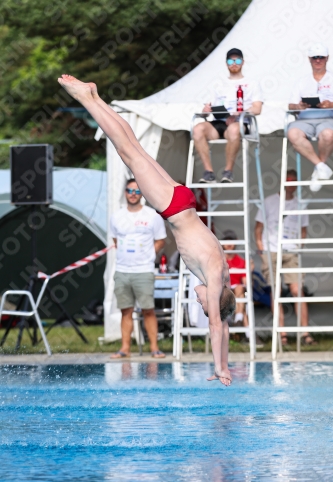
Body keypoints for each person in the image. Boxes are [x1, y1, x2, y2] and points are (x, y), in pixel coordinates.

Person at [58, 75, 236, 386]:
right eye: (204, 305)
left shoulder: (221, 273)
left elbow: (225, 323)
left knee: (135, 149)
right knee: (127, 151)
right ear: (213, 301)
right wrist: (221, 368)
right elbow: (219, 326)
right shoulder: (214, 280)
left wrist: (224, 359)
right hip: (174, 208)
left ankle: (95, 97)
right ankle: (87, 99)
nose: (199, 301)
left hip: (184, 199)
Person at [254, 169, 316, 345]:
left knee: (298, 291)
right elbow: (258, 229)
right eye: (289, 180)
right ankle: (282, 335)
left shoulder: (300, 204)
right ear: (282, 182)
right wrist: (262, 249)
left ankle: (305, 334)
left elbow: (304, 231)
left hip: (290, 251)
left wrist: (298, 246)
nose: (292, 184)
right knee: (276, 292)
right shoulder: (269, 202)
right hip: (271, 251)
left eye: (294, 181)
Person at [110, 178, 167, 359]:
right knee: (125, 310)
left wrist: (150, 255)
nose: (133, 195)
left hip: (144, 270)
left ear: (142, 193)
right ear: (125, 192)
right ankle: (125, 348)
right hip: (122, 270)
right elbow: (115, 241)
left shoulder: (152, 216)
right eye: (130, 191)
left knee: (148, 310)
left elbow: (160, 240)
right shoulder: (116, 216)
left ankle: (154, 348)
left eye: (136, 191)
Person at [193, 48, 263, 184]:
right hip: (219, 121)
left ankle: (228, 171)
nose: (234, 63)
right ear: (226, 63)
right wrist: (206, 109)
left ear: (243, 62)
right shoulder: (218, 84)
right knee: (197, 129)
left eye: (237, 60)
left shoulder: (252, 83)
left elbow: (257, 108)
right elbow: (208, 106)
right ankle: (209, 172)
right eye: (231, 60)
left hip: (241, 122)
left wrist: (240, 113)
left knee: (234, 129)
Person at [288, 42, 333, 192]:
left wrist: (330, 104)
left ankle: (318, 170)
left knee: (328, 134)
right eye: (315, 58)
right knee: (292, 133)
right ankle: (321, 166)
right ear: (309, 59)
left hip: (328, 118)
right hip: (305, 118)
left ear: (327, 58)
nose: (318, 60)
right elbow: (291, 105)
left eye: (321, 57)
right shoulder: (302, 81)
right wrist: (298, 106)